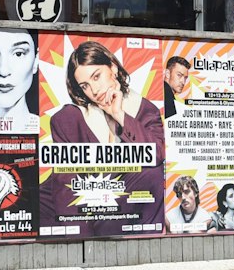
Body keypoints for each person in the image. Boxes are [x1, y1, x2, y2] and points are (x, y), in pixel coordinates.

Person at [43, 40, 166, 233]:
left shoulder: (145, 110)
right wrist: (82, 242)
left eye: (97, 76)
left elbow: (157, 154)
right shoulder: (70, 118)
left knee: (154, 174)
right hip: (62, 215)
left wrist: (119, 116)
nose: (94, 90)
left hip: (111, 212)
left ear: (113, 68)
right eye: (84, 85)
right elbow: (65, 189)